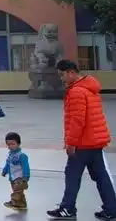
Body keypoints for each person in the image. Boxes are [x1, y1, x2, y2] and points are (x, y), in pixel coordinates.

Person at [47, 60, 116, 220]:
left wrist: (71, 143)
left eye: (62, 75)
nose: (61, 79)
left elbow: (77, 120)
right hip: (95, 142)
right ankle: (111, 209)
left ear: (71, 72)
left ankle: (67, 208)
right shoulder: (90, 88)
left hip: (82, 143)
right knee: (101, 176)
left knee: (72, 175)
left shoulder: (77, 91)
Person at [2, 131, 30, 211]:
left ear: (18, 144)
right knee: (19, 192)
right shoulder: (10, 155)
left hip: (20, 178)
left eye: (13, 144)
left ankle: (13, 202)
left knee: (17, 192)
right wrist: (4, 171)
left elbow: (26, 166)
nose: (10, 146)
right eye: (8, 144)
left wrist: (26, 176)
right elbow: (8, 164)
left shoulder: (21, 156)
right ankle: (22, 204)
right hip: (13, 177)